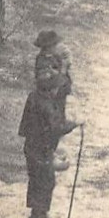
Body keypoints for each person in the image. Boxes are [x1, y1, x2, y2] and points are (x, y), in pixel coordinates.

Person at [18, 82, 81, 218]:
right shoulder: (47, 105)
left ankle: (35, 215)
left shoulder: (34, 96)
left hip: (33, 146)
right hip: (41, 150)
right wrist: (74, 124)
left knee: (36, 179)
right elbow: (56, 128)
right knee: (46, 181)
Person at [34, 30, 73, 170]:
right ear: (48, 46)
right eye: (55, 44)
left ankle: (52, 153)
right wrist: (61, 70)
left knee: (57, 123)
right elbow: (49, 82)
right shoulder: (42, 61)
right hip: (50, 99)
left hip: (58, 97)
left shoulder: (54, 57)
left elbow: (64, 76)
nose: (58, 46)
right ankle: (48, 157)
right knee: (51, 128)